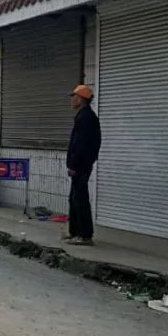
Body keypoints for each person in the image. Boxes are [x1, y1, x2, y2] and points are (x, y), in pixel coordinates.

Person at [66, 84, 102, 246]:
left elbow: (80, 145)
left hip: (81, 165)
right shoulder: (84, 116)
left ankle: (85, 235)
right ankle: (74, 232)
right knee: (74, 198)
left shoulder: (86, 118)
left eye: (73, 97)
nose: (71, 100)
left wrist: (73, 165)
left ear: (80, 99)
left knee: (80, 198)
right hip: (82, 163)